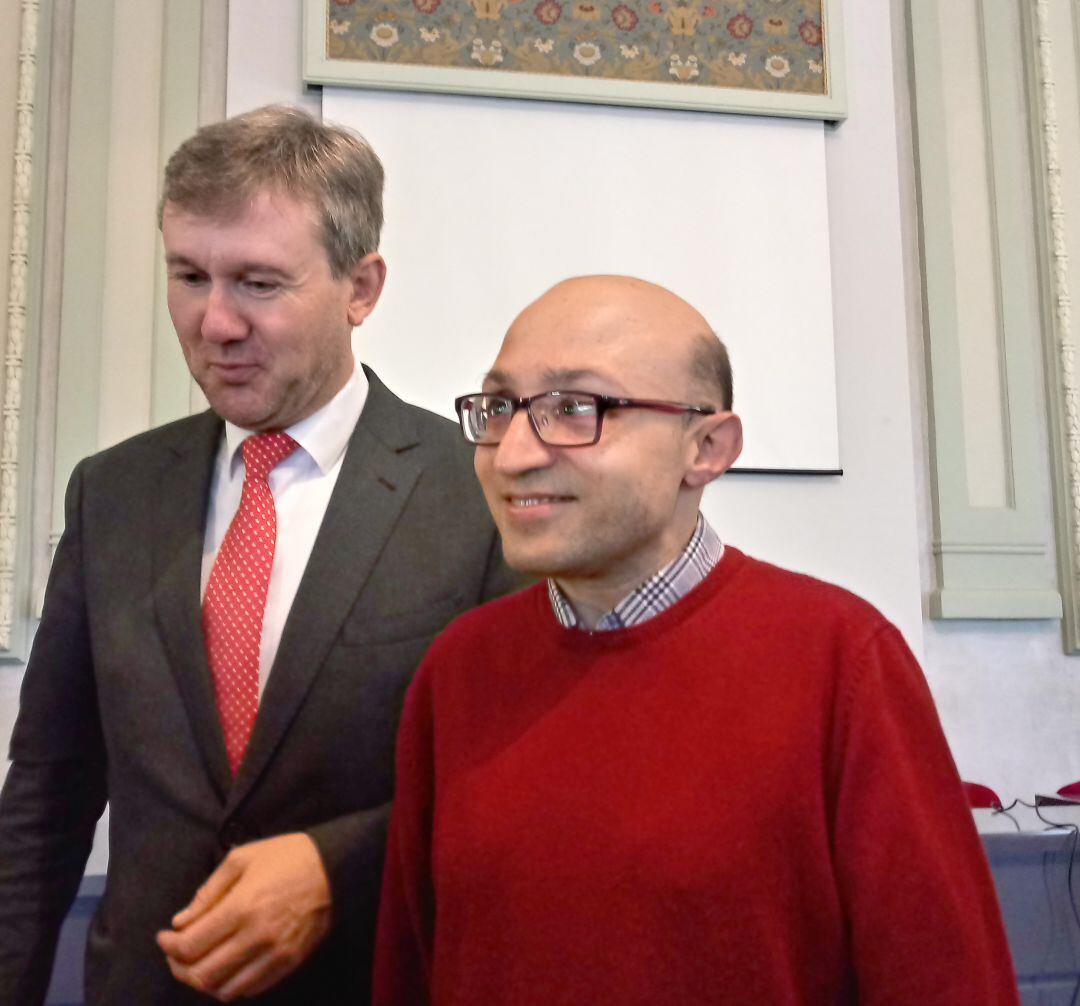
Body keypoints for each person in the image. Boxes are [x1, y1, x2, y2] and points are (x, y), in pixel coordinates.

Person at [372, 275, 1020, 1005]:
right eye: (500, 409)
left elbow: (944, 979)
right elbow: (411, 966)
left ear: (707, 447)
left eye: (576, 409)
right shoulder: (460, 668)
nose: (513, 454)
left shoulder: (840, 661)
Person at [0, 105, 518, 1005]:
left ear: (361, 288)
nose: (215, 323)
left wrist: (333, 867)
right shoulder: (114, 492)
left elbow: (512, 787)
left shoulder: (476, 493)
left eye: (259, 284)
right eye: (190, 276)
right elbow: (48, 793)